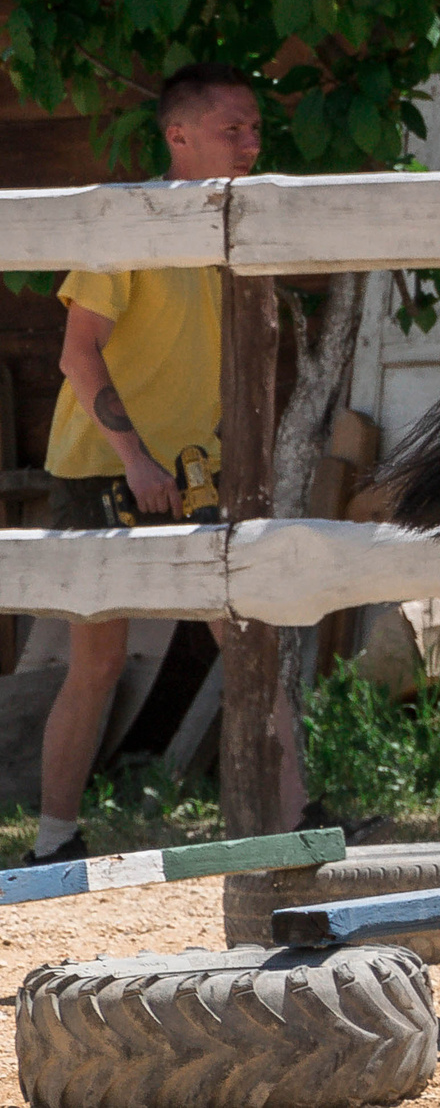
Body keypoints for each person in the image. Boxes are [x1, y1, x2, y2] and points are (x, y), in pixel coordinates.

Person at [26, 61, 307, 865]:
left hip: (194, 470)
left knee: (248, 639)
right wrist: (136, 460)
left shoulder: (237, 225)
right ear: (178, 134)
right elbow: (79, 358)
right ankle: (55, 840)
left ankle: (296, 822)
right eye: (233, 128)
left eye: (256, 127)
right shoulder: (128, 222)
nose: (251, 142)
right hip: (101, 468)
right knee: (98, 658)